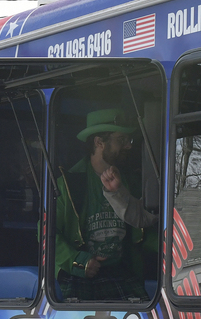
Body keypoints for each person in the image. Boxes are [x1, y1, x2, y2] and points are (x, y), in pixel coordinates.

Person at [54, 107, 159, 301]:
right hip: (79, 276)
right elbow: (46, 233)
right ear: (99, 142)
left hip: (121, 272)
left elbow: (144, 228)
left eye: (129, 141)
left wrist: (171, 247)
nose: (128, 146)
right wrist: (79, 261)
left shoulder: (132, 181)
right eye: (121, 140)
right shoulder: (67, 184)